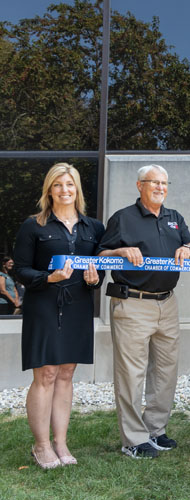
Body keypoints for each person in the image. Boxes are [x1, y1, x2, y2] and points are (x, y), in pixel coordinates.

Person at [98, 164, 190, 459]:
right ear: (139, 185)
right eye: (153, 182)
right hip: (133, 303)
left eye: (164, 183)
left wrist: (188, 250)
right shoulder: (122, 219)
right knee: (131, 373)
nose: (160, 187)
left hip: (167, 303)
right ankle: (133, 439)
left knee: (166, 371)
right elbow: (101, 254)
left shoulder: (174, 218)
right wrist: (119, 252)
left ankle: (155, 430)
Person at [13, 163, 104, 469]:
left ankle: (60, 443)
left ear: (77, 189)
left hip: (78, 305)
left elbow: (98, 271)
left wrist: (94, 279)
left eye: (70, 185)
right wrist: (48, 278)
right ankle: (40, 446)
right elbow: (21, 269)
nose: (64, 190)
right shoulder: (34, 225)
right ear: (48, 190)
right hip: (44, 305)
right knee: (47, 373)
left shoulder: (94, 227)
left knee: (66, 373)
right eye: (58, 185)